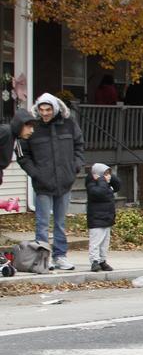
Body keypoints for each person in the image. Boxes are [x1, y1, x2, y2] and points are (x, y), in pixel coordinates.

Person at [17, 94, 85, 271]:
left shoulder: (69, 124)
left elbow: (79, 146)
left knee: (60, 223)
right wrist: (35, 173)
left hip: (64, 181)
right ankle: (43, 259)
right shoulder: (32, 127)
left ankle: (60, 256)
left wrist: (75, 167)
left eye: (48, 109)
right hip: (42, 183)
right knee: (42, 223)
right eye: (41, 109)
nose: (44, 113)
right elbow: (23, 154)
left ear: (54, 108)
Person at [85, 163, 120, 271]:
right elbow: (98, 193)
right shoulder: (93, 184)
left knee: (105, 242)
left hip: (107, 217)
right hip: (97, 218)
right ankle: (94, 261)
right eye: (105, 174)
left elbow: (118, 185)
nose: (108, 176)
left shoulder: (106, 184)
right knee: (96, 241)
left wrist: (111, 177)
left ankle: (102, 260)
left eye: (109, 174)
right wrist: (102, 180)